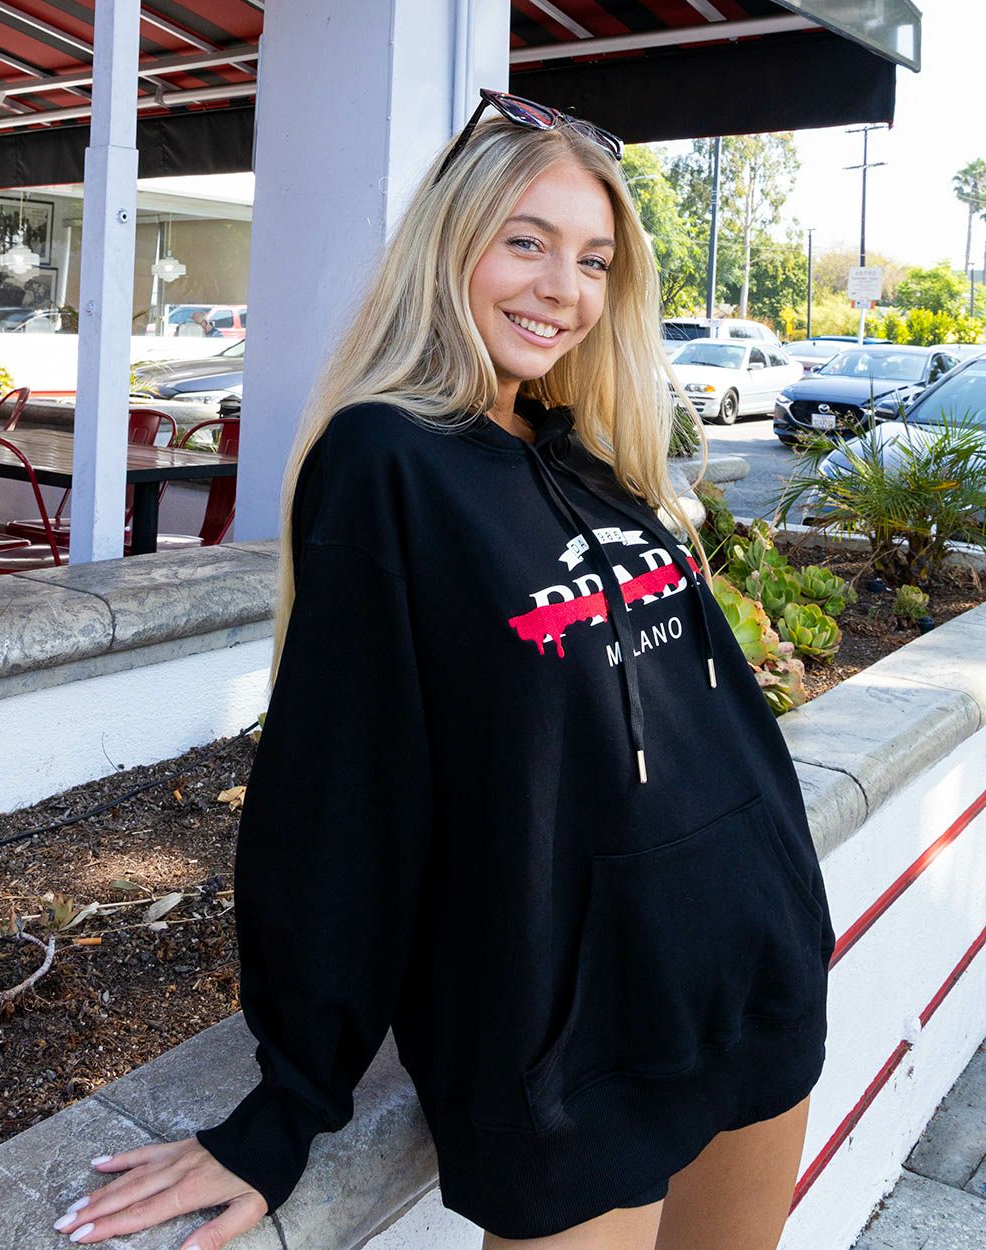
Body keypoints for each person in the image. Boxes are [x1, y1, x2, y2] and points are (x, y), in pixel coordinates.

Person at [51, 88, 836, 1250]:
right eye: (526, 242)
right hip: (575, 1045)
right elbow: (343, 792)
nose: (562, 288)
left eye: (593, 260)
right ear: (450, 244)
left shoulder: (590, 459)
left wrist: (789, 903)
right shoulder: (385, 459)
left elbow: (717, 723)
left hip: (752, 975)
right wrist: (290, 1100)